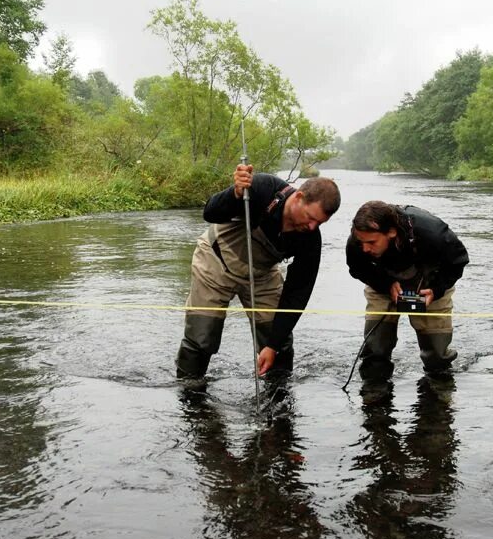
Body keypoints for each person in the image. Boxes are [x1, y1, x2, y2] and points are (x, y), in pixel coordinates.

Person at [176, 164, 340, 379]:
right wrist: (234, 194)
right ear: (299, 197)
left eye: (319, 223)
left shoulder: (310, 239)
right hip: (215, 261)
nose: (311, 226)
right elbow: (210, 212)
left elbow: (297, 294)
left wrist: (271, 346)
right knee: (201, 336)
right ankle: (191, 391)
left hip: (261, 275)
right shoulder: (263, 188)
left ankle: (279, 395)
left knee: (279, 342)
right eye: (310, 217)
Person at [346, 200, 468, 392]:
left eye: (371, 243)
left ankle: (437, 400)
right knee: (375, 350)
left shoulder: (432, 233)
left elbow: (458, 261)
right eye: (361, 242)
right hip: (382, 280)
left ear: (391, 232)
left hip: (430, 282)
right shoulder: (359, 239)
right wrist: (385, 285)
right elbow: (356, 267)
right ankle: (374, 397)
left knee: (437, 357)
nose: (365, 249)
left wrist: (436, 290)